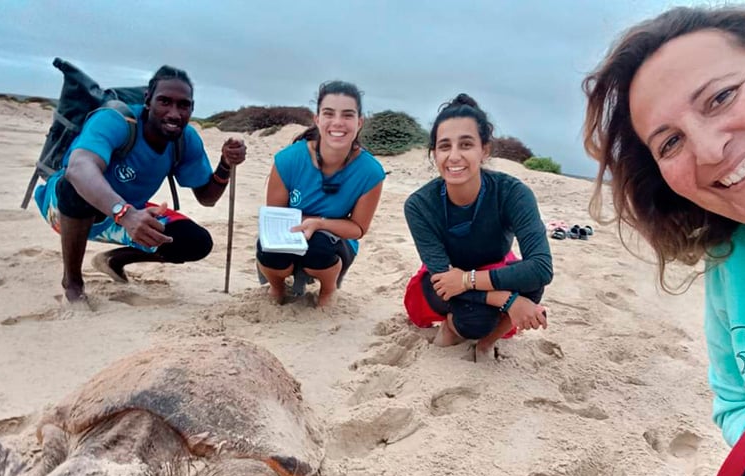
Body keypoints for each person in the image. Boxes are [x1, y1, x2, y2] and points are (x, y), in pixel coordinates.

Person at [583, 6, 745, 476]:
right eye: (670, 142)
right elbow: (736, 398)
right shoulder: (734, 259)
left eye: (721, 97)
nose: (712, 148)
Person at [34, 65, 247, 304]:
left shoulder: (185, 140)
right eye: (165, 102)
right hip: (64, 212)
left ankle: (114, 260)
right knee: (73, 187)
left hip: (127, 216)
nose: (174, 113)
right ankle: (73, 283)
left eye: (183, 105)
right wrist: (124, 213)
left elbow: (207, 198)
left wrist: (225, 165)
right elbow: (79, 168)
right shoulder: (115, 120)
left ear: (192, 108)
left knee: (197, 242)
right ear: (148, 100)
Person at [403, 94, 551, 359]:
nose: (454, 156)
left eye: (466, 144)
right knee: (475, 319)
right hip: (443, 281)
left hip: (487, 271)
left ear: (485, 150)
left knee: (533, 285)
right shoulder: (419, 205)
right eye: (444, 146)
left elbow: (541, 267)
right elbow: (443, 280)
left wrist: (468, 279)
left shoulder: (513, 193)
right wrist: (509, 301)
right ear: (434, 153)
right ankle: (452, 327)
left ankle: (487, 343)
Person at [256, 81, 385, 307]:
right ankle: (277, 288)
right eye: (329, 113)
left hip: (334, 242)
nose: (337, 123)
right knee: (268, 249)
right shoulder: (288, 159)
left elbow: (358, 229)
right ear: (317, 119)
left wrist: (319, 223)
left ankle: (328, 290)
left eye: (347, 115)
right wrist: (303, 224)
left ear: (359, 122)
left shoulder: (370, 171)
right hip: (290, 233)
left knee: (319, 246)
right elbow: (275, 219)